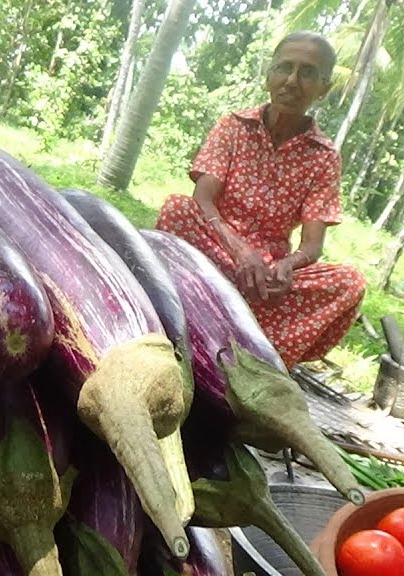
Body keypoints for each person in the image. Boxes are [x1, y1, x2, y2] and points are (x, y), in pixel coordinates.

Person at [155, 31, 366, 369]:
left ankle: (257, 354)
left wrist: (287, 265)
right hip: (213, 251)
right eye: (285, 68)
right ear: (269, 75)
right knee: (177, 209)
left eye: (308, 73)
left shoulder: (324, 156)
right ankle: (205, 314)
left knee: (349, 283)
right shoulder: (234, 126)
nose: (292, 81)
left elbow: (312, 245)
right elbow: (203, 198)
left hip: (265, 283)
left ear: (323, 89)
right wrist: (238, 250)